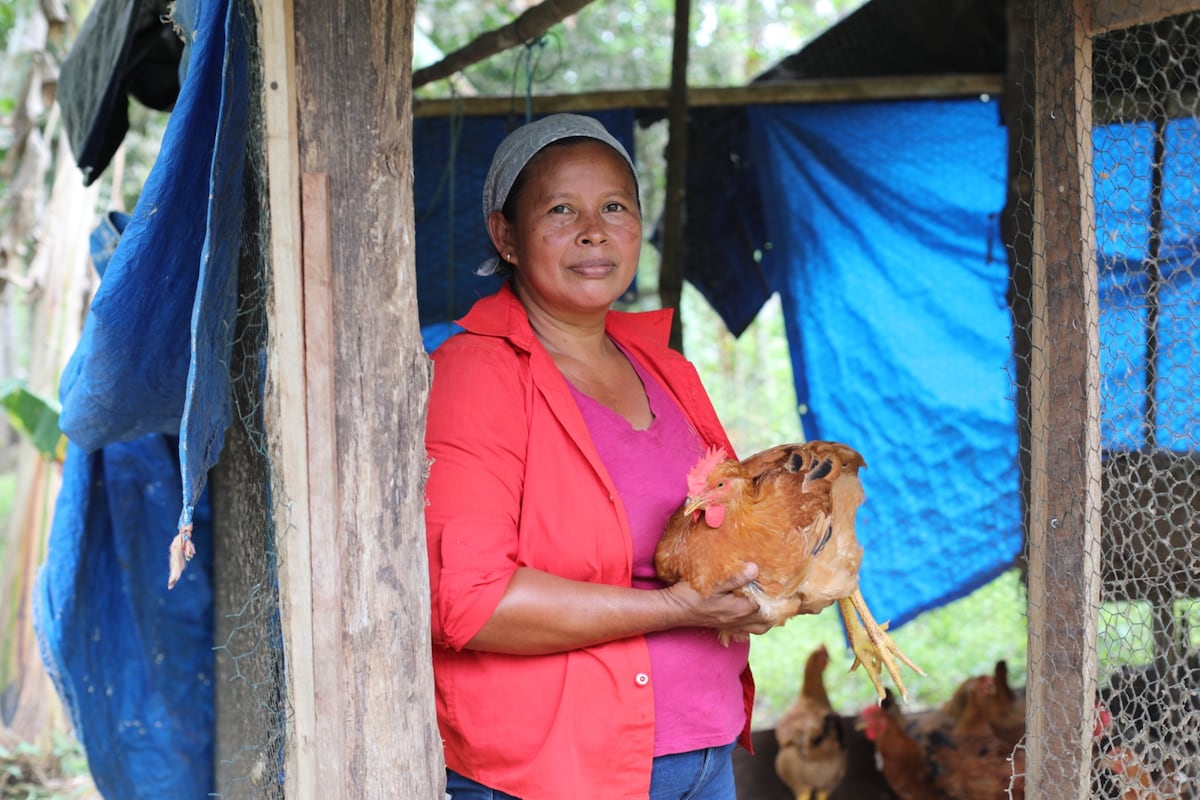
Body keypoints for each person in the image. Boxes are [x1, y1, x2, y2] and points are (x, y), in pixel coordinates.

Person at [424, 113, 771, 800]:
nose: (594, 230)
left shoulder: (667, 369)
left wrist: (761, 588)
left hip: (701, 750)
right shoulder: (476, 373)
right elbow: (474, 606)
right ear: (506, 236)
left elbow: (723, 535)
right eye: (561, 209)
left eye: (615, 206)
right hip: (556, 767)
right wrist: (679, 608)